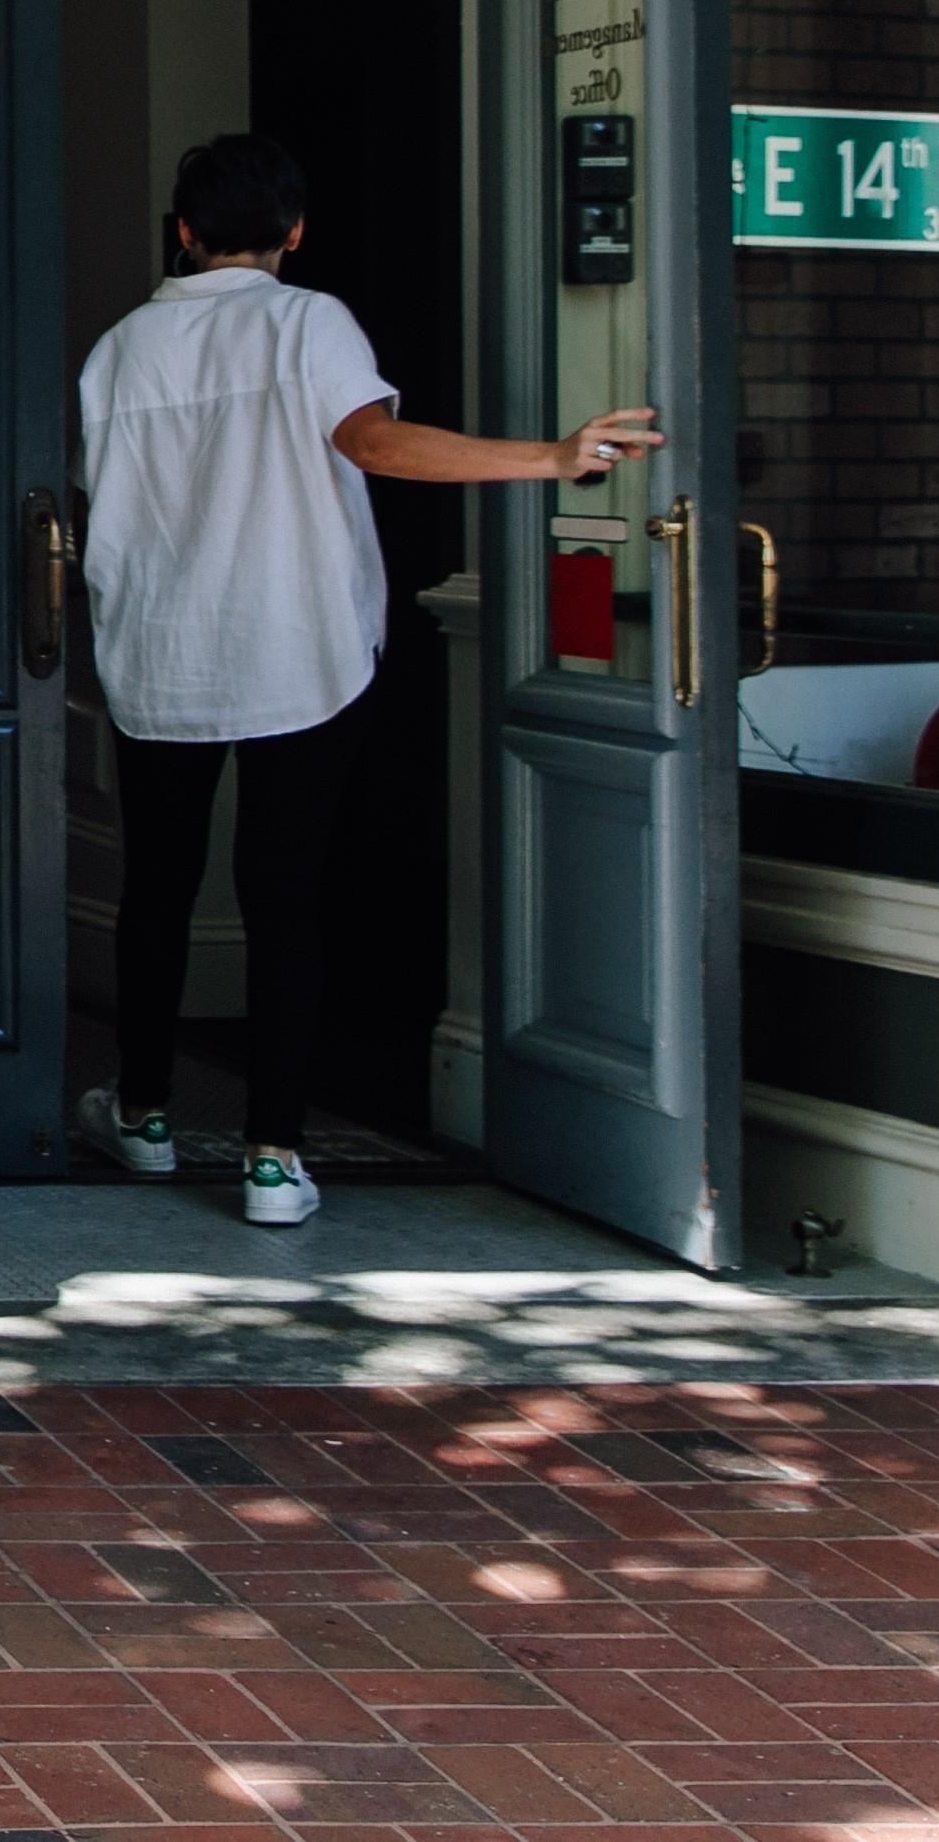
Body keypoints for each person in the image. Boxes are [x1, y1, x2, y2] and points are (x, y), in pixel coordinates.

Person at [72, 133, 658, 1229]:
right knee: (283, 892)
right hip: (299, 645)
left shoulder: (120, 348)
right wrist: (550, 455)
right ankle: (272, 1157)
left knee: (155, 885)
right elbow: (375, 446)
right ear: (294, 232)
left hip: (160, 648)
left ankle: (143, 1117)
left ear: (183, 230)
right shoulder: (309, 321)